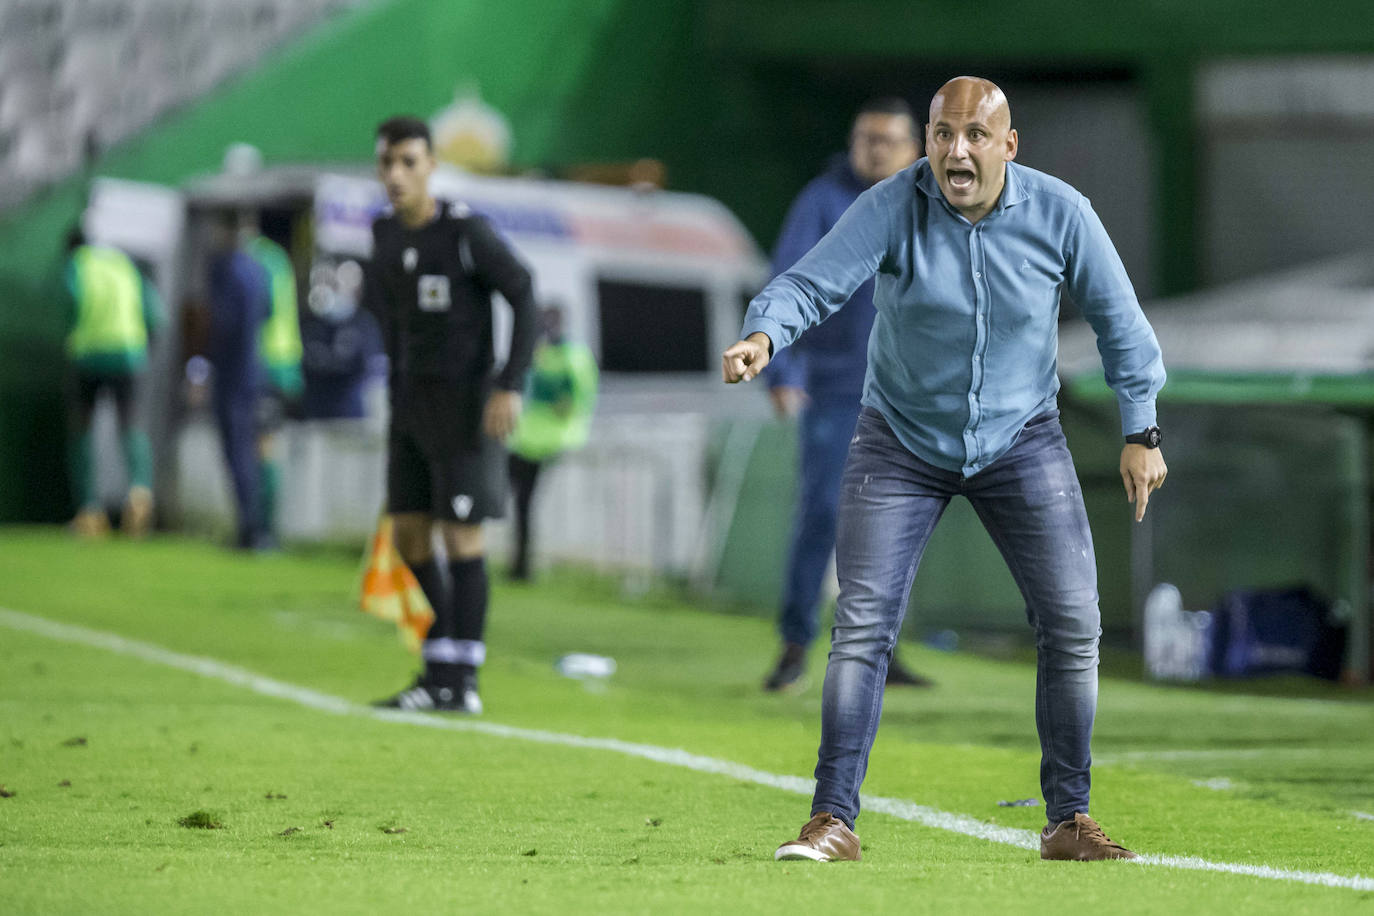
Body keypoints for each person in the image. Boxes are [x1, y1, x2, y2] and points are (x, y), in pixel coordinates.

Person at [722, 77, 1167, 862]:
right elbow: (810, 282)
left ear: (1008, 145)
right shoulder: (893, 204)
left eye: (972, 135)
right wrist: (765, 334)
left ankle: (1070, 821)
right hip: (897, 440)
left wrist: (1143, 430)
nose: (954, 151)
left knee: (1074, 626)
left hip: (1022, 439)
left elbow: (1121, 323)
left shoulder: (1062, 212)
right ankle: (832, 820)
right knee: (861, 629)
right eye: (940, 134)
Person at [366, 115, 537, 714]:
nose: (396, 174)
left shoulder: (466, 234)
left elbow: (524, 291)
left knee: (461, 537)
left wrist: (509, 384)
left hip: (468, 412)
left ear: (431, 165)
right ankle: (437, 668)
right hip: (409, 410)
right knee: (410, 535)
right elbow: (389, 323)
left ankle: (461, 682)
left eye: (408, 162)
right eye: (387, 162)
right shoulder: (384, 236)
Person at [762, 97, 929, 693]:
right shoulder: (825, 200)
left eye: (887, 140)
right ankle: (794, 643)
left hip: (910, 395)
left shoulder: (929, 201)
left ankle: (882, 650)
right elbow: (787, 281)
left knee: (900, 524)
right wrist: (782, 374)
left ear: (916, 147)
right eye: (865, 139)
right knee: (822, 515)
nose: (874, 149)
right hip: (837, 389)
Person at [62, 227, 163, 537]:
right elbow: (156, 314)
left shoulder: (77, 264)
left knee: (83, 429)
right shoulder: (124, 264)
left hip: (89, 354)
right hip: (129, 354)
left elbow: (70, 303)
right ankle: (139, 492)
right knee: (130, 425)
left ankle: (90, 510)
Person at [505, 304, 599, 581]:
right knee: (519, 503)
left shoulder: (571, 355)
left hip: (548, 441)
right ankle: (519, 564)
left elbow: (577, 399)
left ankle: (523, 566)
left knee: (524, 503)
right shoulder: (544, 352)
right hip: (526, 439)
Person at [206, 210, 273, 550]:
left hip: (233, 373)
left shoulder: (227, 268)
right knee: (254, 451)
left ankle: (250, 530)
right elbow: (268, 312)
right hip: (258, 370)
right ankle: (259, 528)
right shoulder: (260, 268)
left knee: (238, 452)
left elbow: (223, 323)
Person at [246, 230, 304, 546]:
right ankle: (259, 528)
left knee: (263, 447)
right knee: (264, 446)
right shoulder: (277, 258)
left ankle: (263, 531)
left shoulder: (259, 258)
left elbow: (261, 309)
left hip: (269, 364)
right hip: (283, 363)